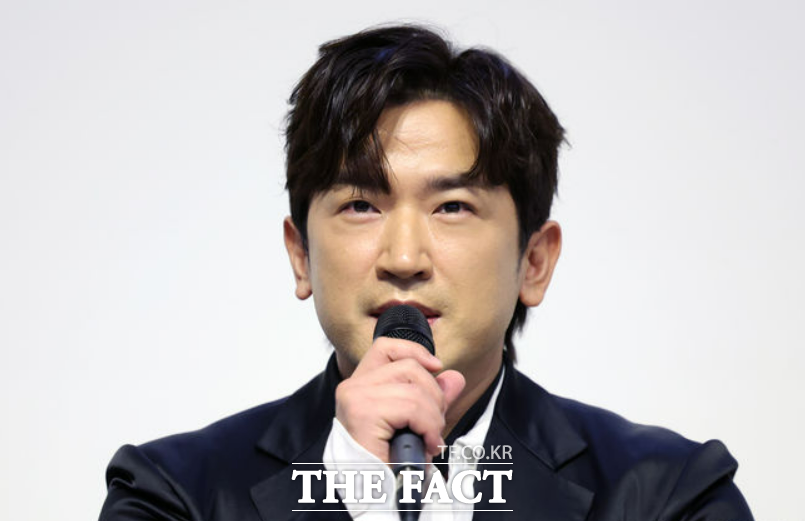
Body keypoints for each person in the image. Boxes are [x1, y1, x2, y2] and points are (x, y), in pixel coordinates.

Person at [99, 24, 753, 520]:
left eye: (452, 207)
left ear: (534, 261)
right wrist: (351, 488)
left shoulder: (672, 495)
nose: (404, 259)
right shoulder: (171, 494)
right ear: (300, 255)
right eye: (361, 205)